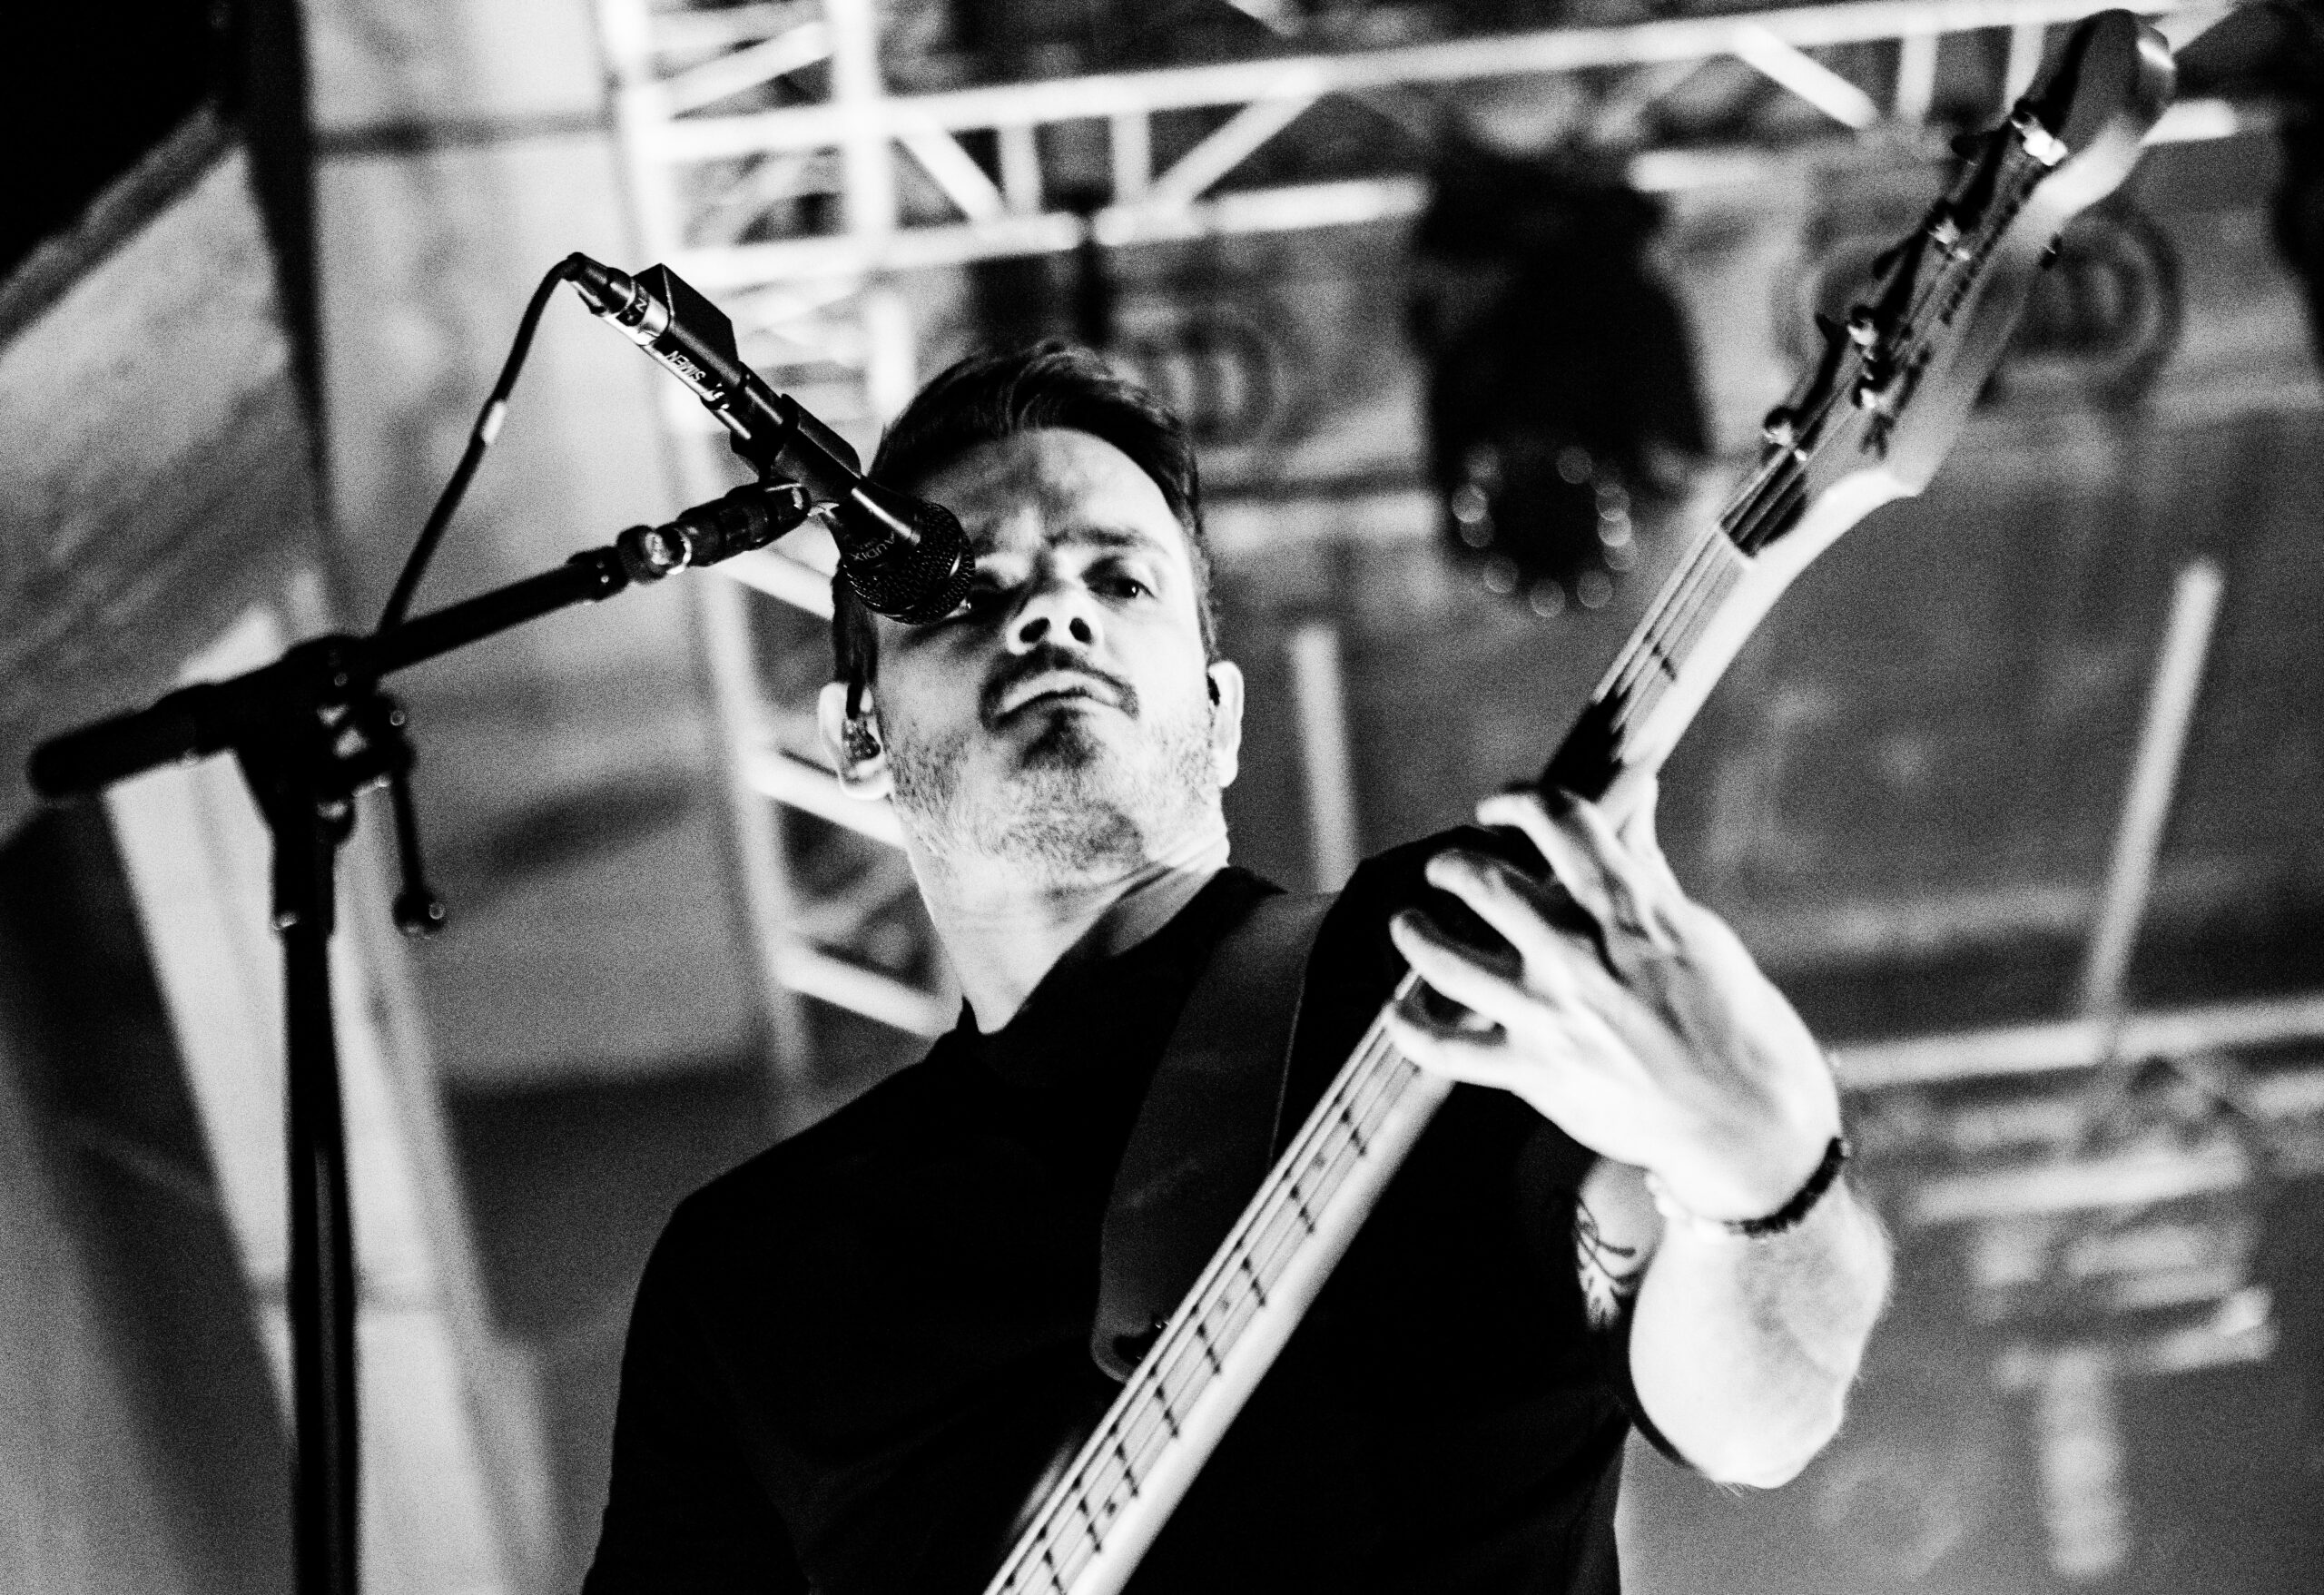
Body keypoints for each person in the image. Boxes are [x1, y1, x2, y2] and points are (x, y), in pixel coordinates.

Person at [582, 343, 1892, 1595]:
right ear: (858, 734)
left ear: (1221, 715)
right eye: (963, 592)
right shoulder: (750, 1275)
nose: (1052, 611)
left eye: (1121, 582)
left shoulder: (1447, 963)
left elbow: (1752, 1412)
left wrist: (1757, 1172)